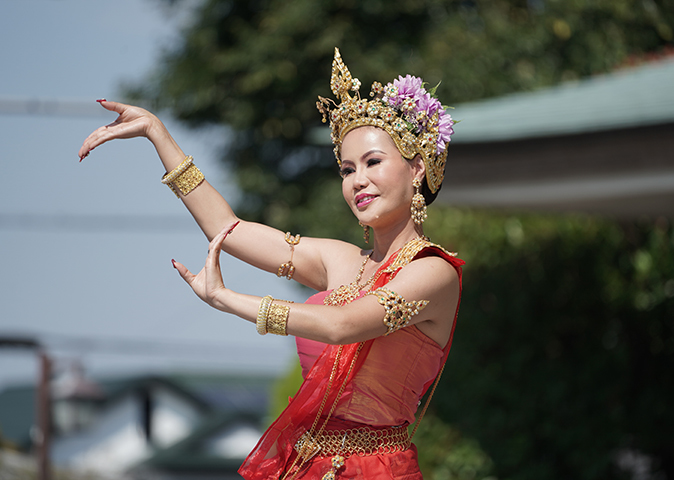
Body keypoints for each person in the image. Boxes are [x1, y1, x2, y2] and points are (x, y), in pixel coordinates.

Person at [79, 48, 463, 480]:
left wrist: (228, 300)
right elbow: (227, 227)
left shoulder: (435, 272)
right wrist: (158, 134)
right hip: (302, 466)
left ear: (417, 170)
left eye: (373, 162)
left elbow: (341, 326)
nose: (357, 180)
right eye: (346, 168)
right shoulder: (341, 260)